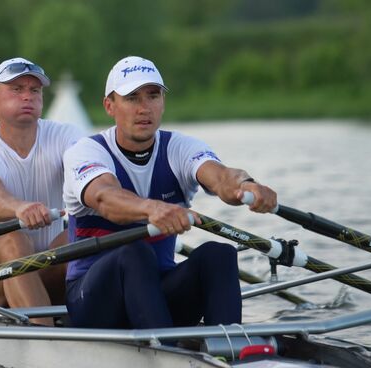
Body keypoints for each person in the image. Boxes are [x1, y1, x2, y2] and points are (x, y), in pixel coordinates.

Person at [62, 56, 277, 329]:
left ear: (163, 102)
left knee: (219, 254)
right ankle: (165, 347)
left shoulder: (179, 147)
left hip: (156, 296)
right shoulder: (86, 151)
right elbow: (104, 197)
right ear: (109, 106)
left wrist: (246, 184)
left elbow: (221, 177)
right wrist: (152, 209)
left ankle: (229, 348)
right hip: (94, 303)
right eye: (132, 98)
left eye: (153, 96)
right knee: (134, 253)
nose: (144, 108)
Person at [0, 57, 85, 324]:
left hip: (42, 268)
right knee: (15, 240)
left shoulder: (66, 135)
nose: (27, 96)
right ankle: (46, 343)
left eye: (34, 90)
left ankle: (105, 322)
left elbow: (92, 172)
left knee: (78, 234)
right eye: (16, 89)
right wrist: (19, 208)